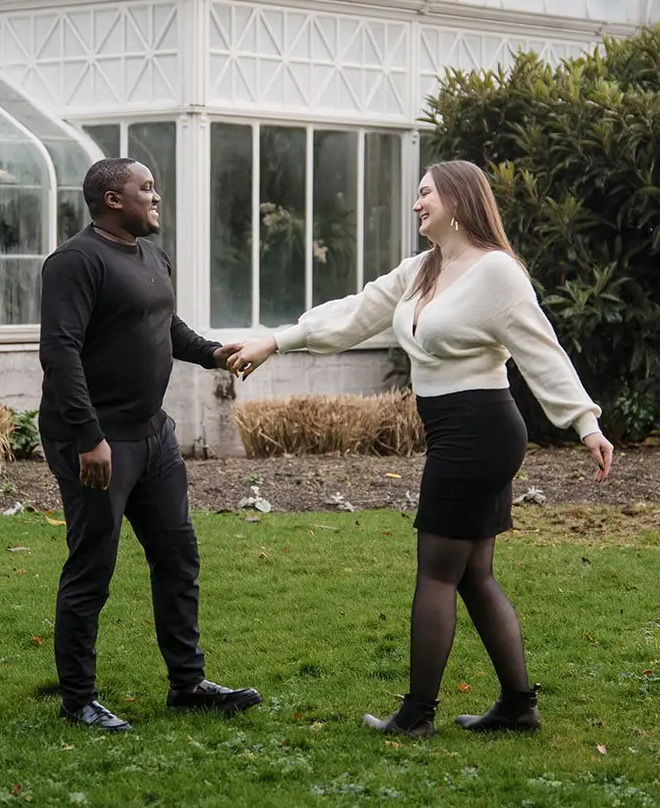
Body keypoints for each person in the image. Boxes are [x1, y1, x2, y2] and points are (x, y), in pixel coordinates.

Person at [230, 159, 613, 739]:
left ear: (458, 200)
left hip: (479, 431)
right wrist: (276, 341)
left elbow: (542, 349)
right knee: (473, 575)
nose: (417, 204)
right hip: (456, 431)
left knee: (436, 572)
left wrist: (584, 421)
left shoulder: (496, 273)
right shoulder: (424, 269)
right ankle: (517, 705)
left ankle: (417, 715)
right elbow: (355, 314)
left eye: (426, 193)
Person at [39, 157, 262, 732]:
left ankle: (187, 683)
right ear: (114, 200)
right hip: (96, 441)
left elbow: (166, 327)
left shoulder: (151, 256)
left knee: (178, 556)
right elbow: (60, 352)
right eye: (147, 188)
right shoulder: (75, 262)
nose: (156, 196)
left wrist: (216, 352)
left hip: (152, 435)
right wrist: (89, 437)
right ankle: (78, 699)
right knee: (93, 566)